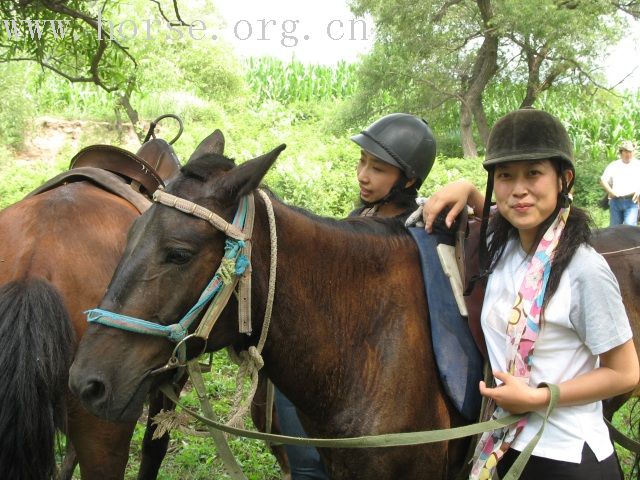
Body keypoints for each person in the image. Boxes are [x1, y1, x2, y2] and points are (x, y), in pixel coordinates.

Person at [422, 108, 639, 480]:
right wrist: (466, 188)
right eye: (506, 176)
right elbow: (492, 209)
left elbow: (625, 373)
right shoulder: (501, 245)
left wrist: (537, 398)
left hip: (566, 457)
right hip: (505, 447)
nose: (519, 189)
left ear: (563, 179)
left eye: (534, 173)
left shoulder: (583, 270)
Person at [275, 112, 437, 479]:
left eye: (378, 168)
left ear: (409, 179)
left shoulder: (414, 229)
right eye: (362, 162)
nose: (363, 175)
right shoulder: (361, 214)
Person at [600, 140, 640, 225]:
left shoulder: (637, 165)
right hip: (615, 201)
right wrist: (610, 191)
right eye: (626, 151)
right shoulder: (614, 165)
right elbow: (603, 180)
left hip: (632, 201)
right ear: (621, 152)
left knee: (630, 228)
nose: (628, 154)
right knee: (615, 229)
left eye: (630, 152)